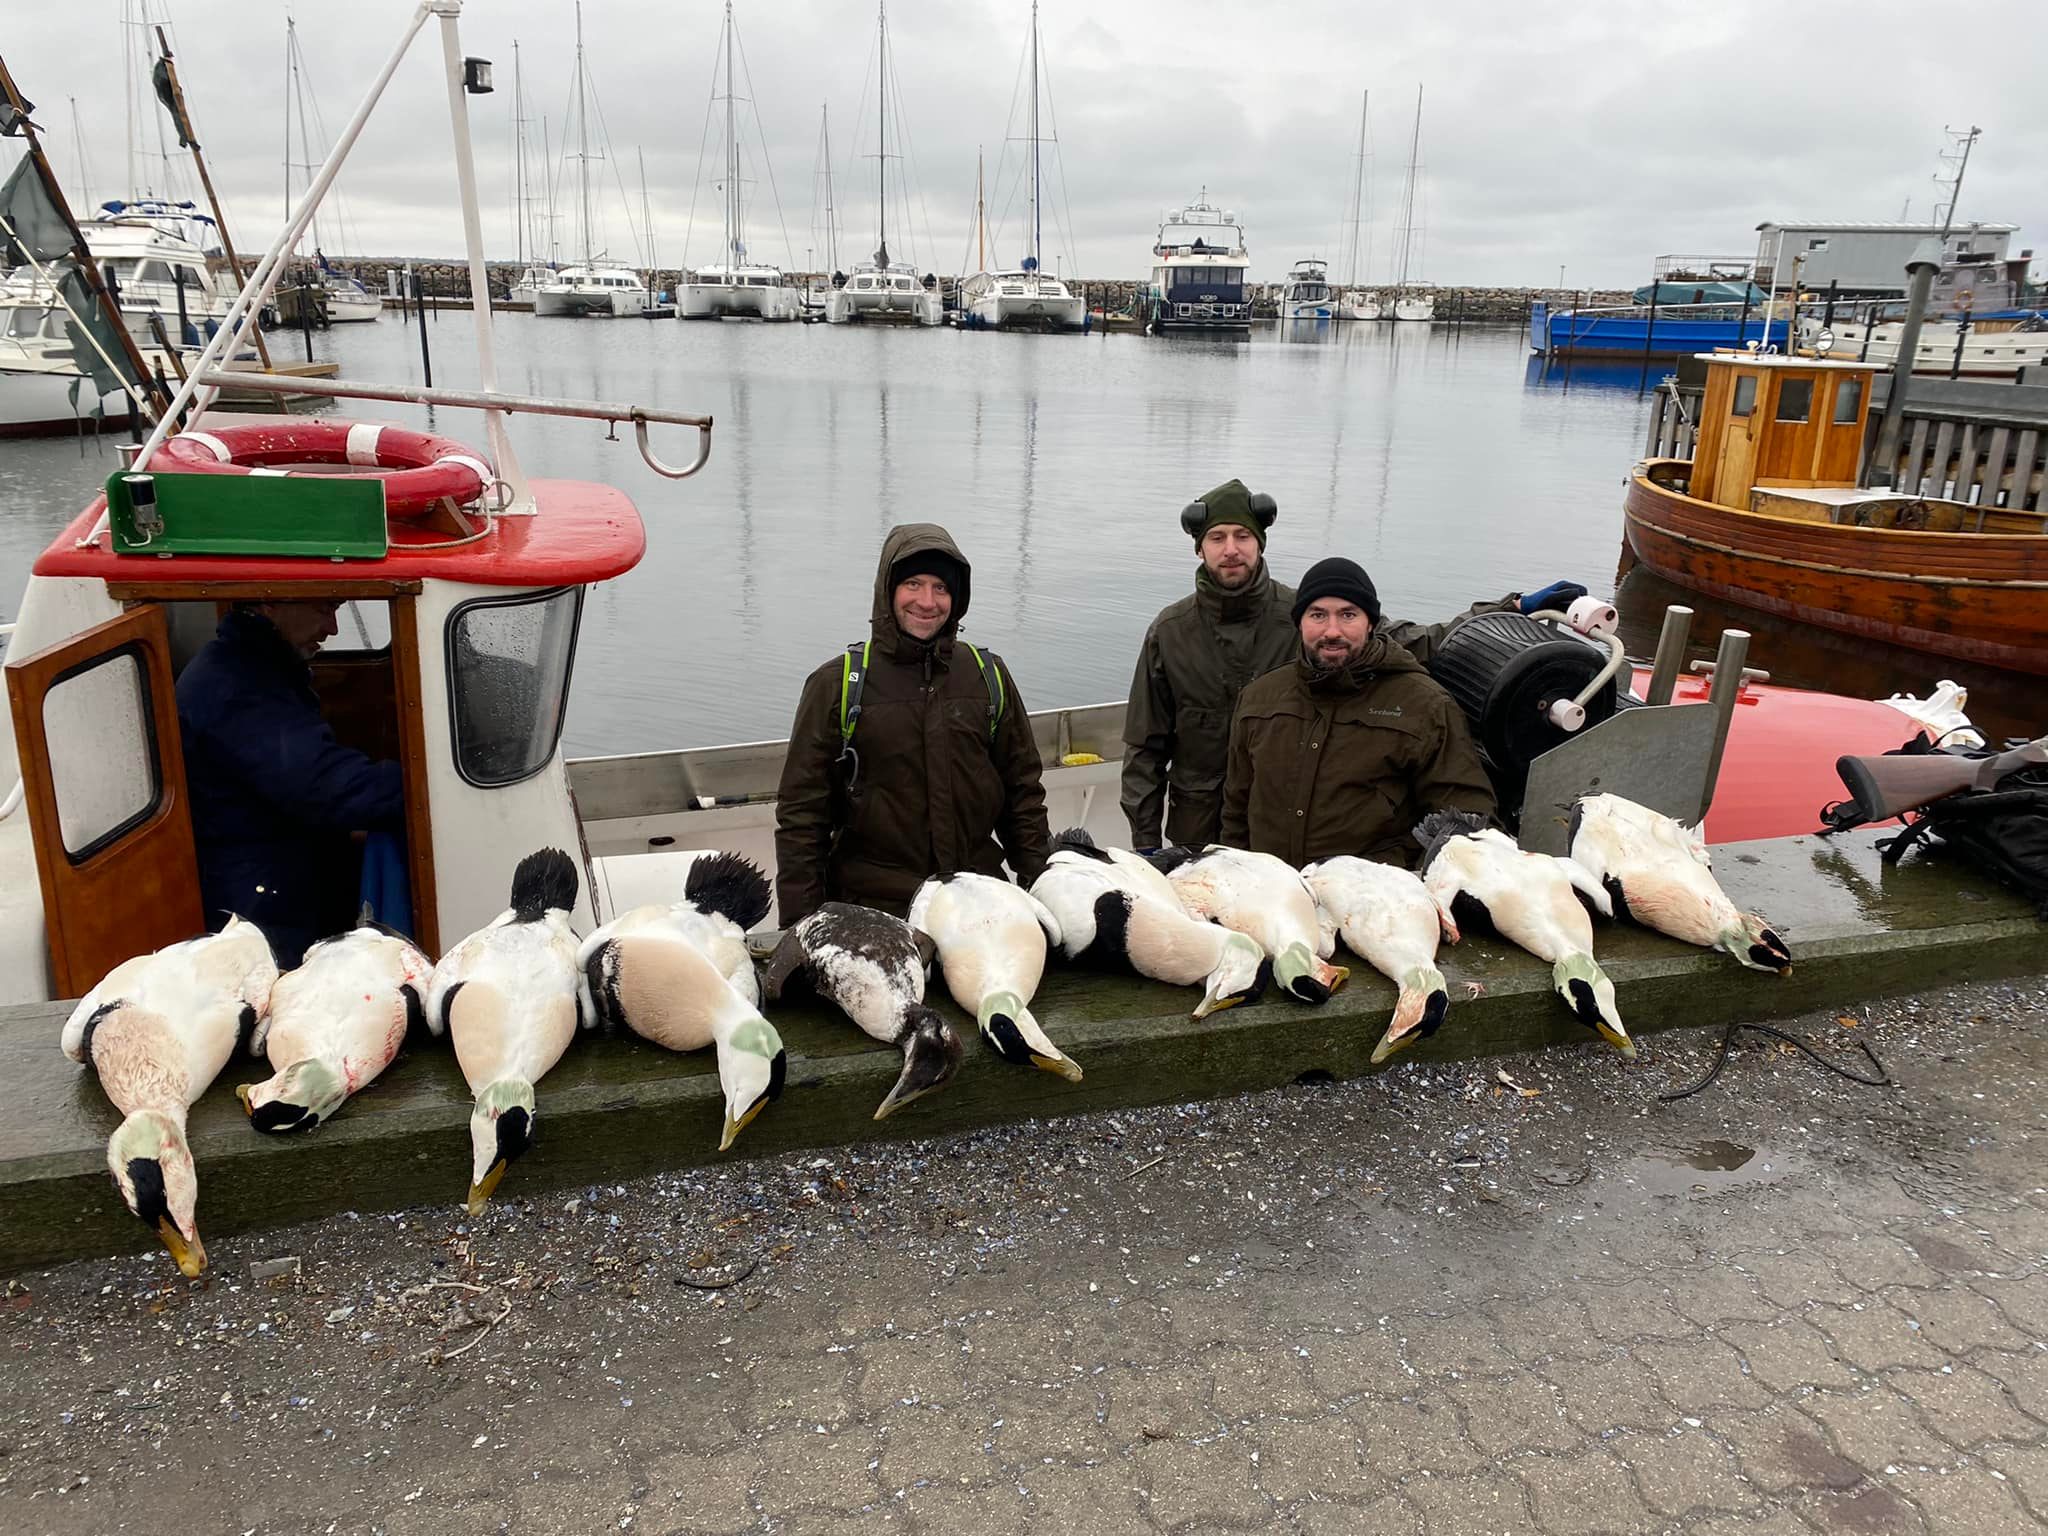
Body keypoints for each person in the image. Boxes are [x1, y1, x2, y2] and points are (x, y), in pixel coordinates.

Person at [1122, 477, 1584, 850]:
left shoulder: (1309, 614)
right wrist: (1145, 845)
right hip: (1198, 830)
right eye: (1217, 538)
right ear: (1200, 548)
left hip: (1289, 826)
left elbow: (1423, 640)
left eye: (1243, 536)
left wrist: (1514, 607)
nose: (1231, 549)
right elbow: (1145, 748)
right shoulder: (1170, 631)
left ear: (1260, 543)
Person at [775, 524, 1052, 924]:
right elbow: (802, 818)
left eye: (941, 587)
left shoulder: (988, 675)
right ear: (887, 590)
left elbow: (1022, 795)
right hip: (874, 909)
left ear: (957, 597)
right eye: (913, 584)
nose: (927, 601)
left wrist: (1040, 887)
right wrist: (800, 928)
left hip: (979, 902)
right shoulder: (836, 684)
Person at [1221, 557, 1496, 869]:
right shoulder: (1259, 699)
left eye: (1348, 615)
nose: (1332, 631)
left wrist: (1409, 885)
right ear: (1300, 622)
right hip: (1275, 898)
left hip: (1376, 904)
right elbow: (1236, 813)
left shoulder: (1425, 706)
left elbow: (1467, 822)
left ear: (1371, 623)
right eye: (1318, 615)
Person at [175, 599, 406, 966]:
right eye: (323, 609)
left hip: (276, 870)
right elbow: (323, 787)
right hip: (261, 904)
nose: (332, 628)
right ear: (270, 603)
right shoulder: (236, 686)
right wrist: (424, 787)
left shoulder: (256, 667)